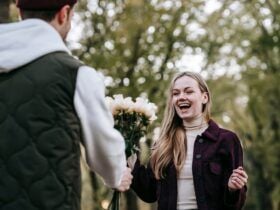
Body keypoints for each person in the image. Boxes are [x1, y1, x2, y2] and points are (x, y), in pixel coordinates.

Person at [0, 0, 132, 209]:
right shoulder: (76, 75)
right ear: (64, 13)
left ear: (19, 12)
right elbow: (104, 152)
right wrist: (117, 174)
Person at [130, 71, 248, 210]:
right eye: (176, 93)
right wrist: (127, 151)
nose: (181, 97)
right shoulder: (163, 143)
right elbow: (148, 192)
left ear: (204, 97)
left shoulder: (227, 140)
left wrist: (233, 189)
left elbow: (236, 205)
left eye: (188, 91)